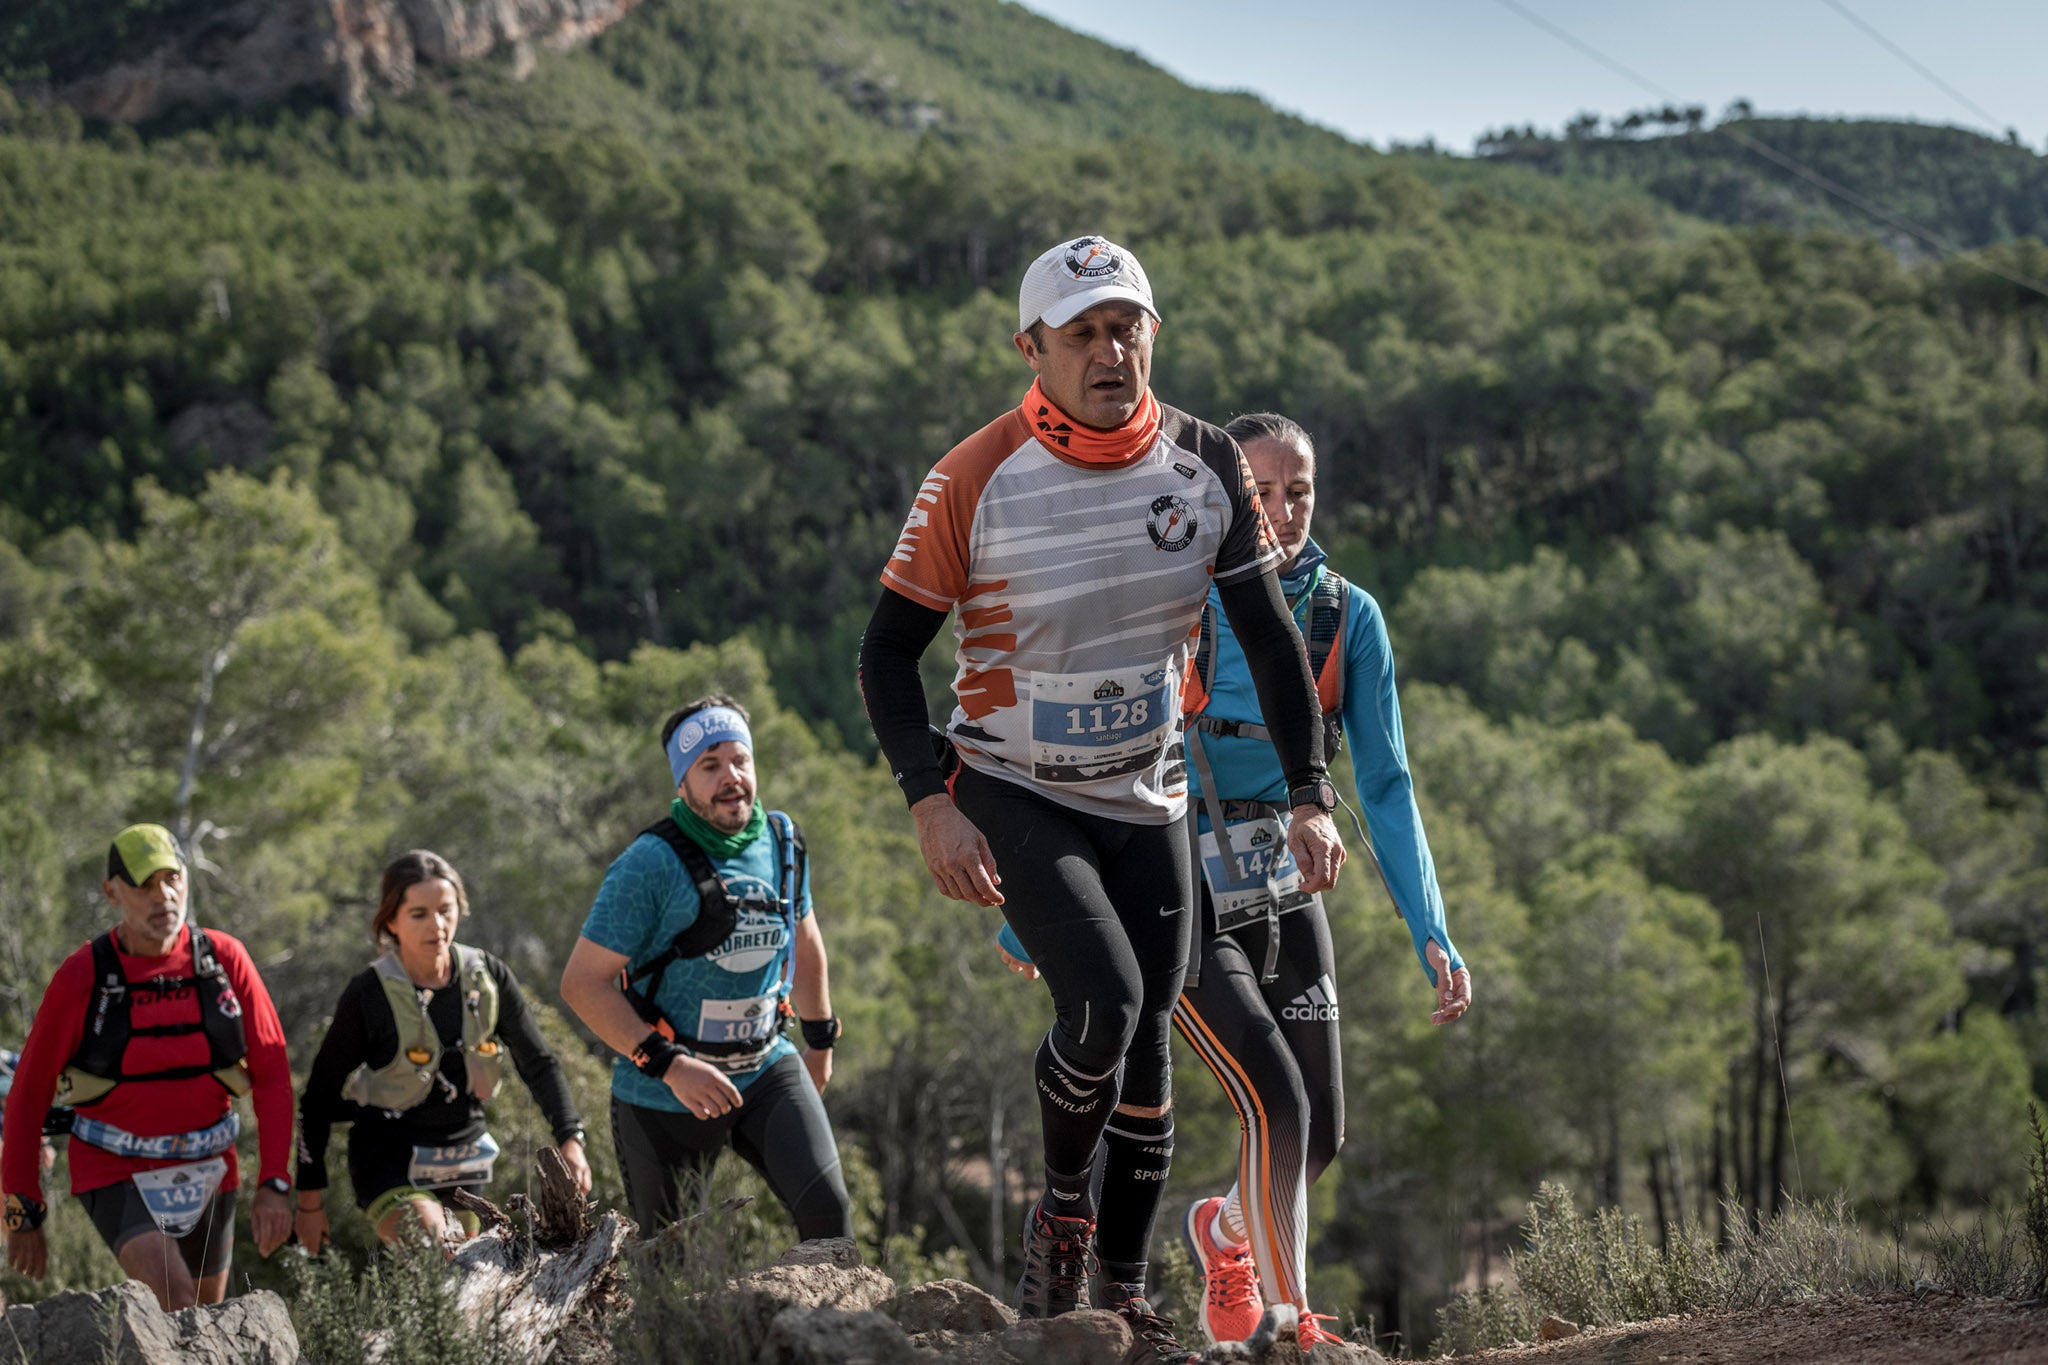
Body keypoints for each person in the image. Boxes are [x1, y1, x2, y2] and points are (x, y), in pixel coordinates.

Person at [857, 234, 1344, 1360]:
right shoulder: (973, 475)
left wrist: (1311, 792)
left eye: (1124, 327)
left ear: (1152, 336)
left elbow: (1271, 644)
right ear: (1031, 348)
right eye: (1079, 333)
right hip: (1011, 787)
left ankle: (1120, 1288)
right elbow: (885, 655)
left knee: (1148, 1052)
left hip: (1146, 793)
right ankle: (1061, 1222)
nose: (1106, 350)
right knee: (1108, 1005)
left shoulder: (1207, 461)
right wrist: (929, 801)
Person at [996, 412, 1474, 1350]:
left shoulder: (1349, 616)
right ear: (1225, 497)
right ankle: (1293, 1332)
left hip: (1287, 894)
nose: (1284, 511)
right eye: (1261, 493)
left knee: (1319, 1134)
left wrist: (1434, 930)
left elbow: (1384, 783)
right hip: (1181, 890)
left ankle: (1224, 1228)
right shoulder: (1185, 598)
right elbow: (1090, 750)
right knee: (1276, 1103)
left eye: (1299, 491)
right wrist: (1032, 912)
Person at [559, 696, 850, 1242]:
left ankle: (833, 1330)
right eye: (710, 766)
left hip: (768, 1066)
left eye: (740, 761)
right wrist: (669, 1066)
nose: (731, 778)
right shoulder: (648, 864)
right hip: (665, 1090)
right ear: (682, 784)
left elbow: (805, 942)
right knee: (673, 1264)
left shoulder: (783, 841)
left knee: (829, 1218)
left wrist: (820, 1039)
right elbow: (581, 984)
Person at [1, 823, 293, 1309]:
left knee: (205, 1317)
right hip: (114, 1165)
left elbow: (275, 1077)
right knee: (176, 1298)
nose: (164, 897)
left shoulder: (224, 960)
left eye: (172, 879)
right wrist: (22, 1209)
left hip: (210, 1165)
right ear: (112, 892)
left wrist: (274, 1184)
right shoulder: (83, 974)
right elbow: (29, 1092)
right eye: (144, 885)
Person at [294, 850, 590, 1253]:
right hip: (389, 1161)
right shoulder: (369, 994)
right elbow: (317, 1098)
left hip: (465, 1164)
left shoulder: (486, 977)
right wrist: (310, 1202)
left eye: (445, 910)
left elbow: (538, 1063)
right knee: (438, 1245)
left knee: (464, 1282)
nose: (437, 925)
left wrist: (570, 1138)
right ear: (391, 922)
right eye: (419, 914)